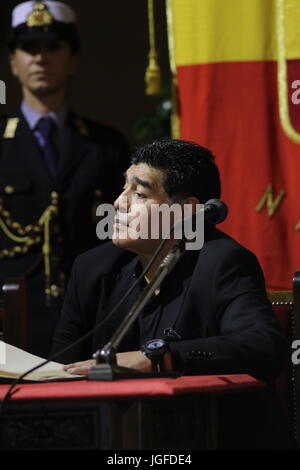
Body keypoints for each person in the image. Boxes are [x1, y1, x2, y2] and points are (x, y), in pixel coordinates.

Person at [51, 139, 291, 448]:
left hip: (211, 437)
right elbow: (58, 370)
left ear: (186, 212)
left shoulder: (223, 262)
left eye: (139, 194)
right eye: (123, 189)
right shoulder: (92, 270)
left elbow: (263, 347)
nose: (120, 203)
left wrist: (157, 358)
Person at [0, 1, 130, 358]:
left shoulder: (105, 144)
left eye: (53, 47)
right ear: (13, 62)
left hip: (92, 314)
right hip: (12, 316)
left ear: (72, 60)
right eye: (28, 48)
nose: (40, 58)